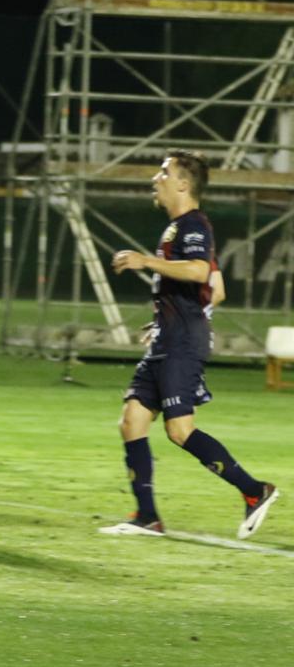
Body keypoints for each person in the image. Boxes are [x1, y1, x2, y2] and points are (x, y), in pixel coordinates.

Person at [101, 152, 278, 539]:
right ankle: (147, 517)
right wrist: (168, 316)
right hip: (169, 338)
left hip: (181, 344)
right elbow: (216, 290)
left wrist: (146, 263)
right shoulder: (178, 228)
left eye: (164, 172)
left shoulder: (193, 225)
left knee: (180, 431)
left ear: (183, 184)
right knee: (132, 421)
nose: (155, 178)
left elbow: (200, 272)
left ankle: (254, 490)